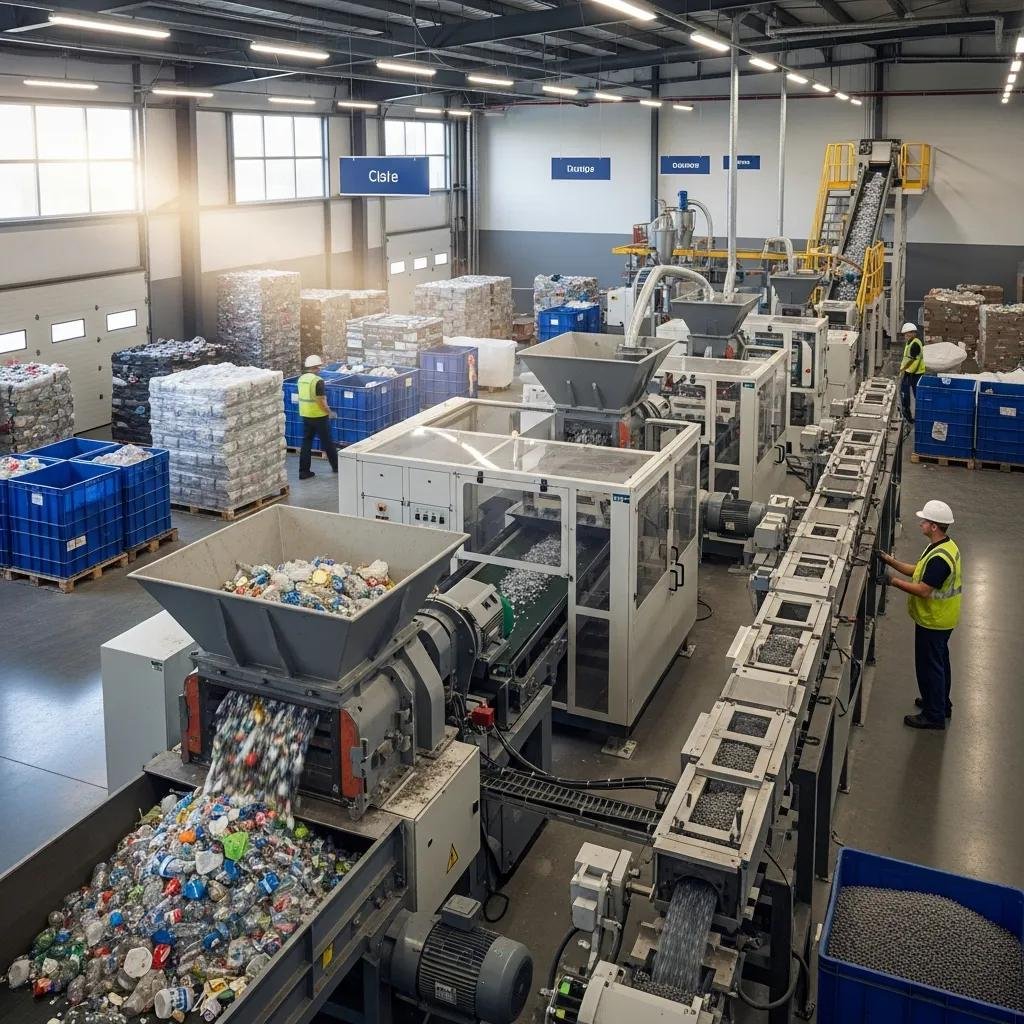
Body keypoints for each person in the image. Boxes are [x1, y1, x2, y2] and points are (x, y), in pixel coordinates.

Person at [879, 499, 962, 730]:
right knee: (940, 663)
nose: (921, 524)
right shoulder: (943, 545)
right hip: (941, 619)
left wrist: (892, 581)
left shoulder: (939, 559)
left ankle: (933, 716)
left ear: (934, 526)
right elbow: (918, 569)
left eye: (924, 521)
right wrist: (889, 561)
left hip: (934, 621)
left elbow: (924, 590)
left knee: (930, 666)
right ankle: (940, 704)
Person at [297, 354, 338, 481]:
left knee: (306, 443)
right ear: (315, 367)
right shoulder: (317, 381)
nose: (319, 369)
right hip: (319, 416)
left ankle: (304, 472)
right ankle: (336, 467)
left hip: (305, 414)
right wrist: (329, 412)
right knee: (327, 442)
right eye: (319, 367)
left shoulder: (301, 379)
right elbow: (319, 400)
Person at [898, 322, 926, 423]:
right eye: (905, 334)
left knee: (912, 394)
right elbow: (906, 358)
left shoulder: (915, 343)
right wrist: (902, 369)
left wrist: (907, 371)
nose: (906, 336)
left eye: (909, 333)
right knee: (906, 393)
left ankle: (913, 416)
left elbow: (914, 360)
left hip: (915, 374)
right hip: (910, 372)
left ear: (914, 333)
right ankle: (908, 414)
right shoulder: (910, 343)